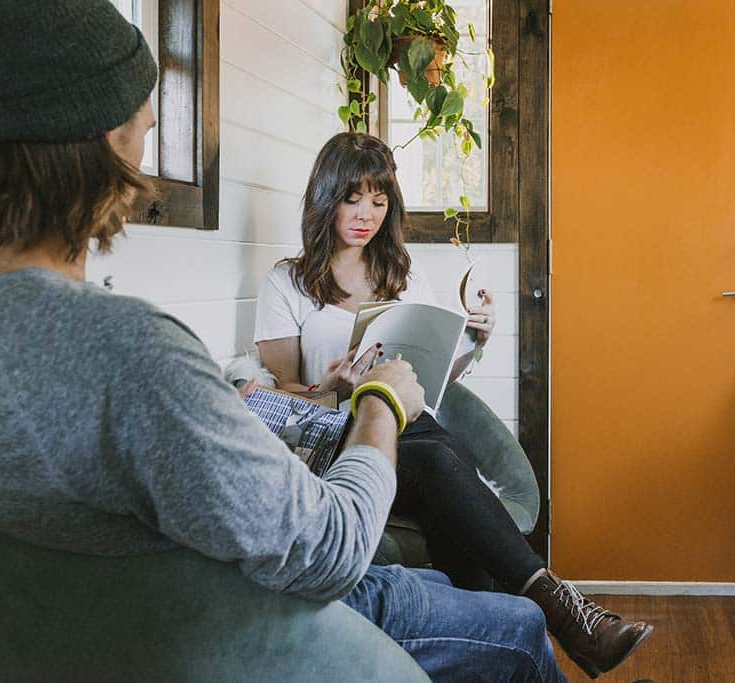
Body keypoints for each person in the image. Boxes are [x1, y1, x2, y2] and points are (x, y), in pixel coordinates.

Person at [0, 3, 567, 681]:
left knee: (456, 538)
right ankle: (548, 597)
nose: (154, 124)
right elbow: (329, 550)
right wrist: (376, 404)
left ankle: (533, 584)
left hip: (120, 619)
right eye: (141, 113)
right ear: (104, 136)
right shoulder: (131, 350)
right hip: (251, 625)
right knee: (518, 629)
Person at [254, 132, 653, 678]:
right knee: (444, 458)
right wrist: (334, 388)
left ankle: (516, 625)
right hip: (338, 433)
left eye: (379, 200)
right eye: (353, 198)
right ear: (326, 195)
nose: (366, 214)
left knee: (436, 448)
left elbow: (436, 376)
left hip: (411, 425)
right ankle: (559, 611)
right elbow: (278, 395)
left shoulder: (402, 273)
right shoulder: (288, 281)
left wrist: (474, 339)